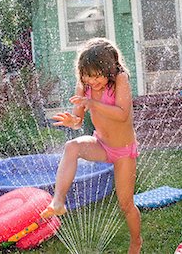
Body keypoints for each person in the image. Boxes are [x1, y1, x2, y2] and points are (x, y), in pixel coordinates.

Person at [40, 38, 142, 254]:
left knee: (125, 205)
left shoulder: (120, 79)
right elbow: (78, 119)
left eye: (97, 76)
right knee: (72, 146)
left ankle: (136, 242)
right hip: (101, 144)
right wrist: (73, 121)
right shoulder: (84, 84)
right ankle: (58, 202)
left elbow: (123, 115)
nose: (92, 81)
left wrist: (93, 103)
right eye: (87, 76)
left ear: (110, 70)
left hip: (123, 151)